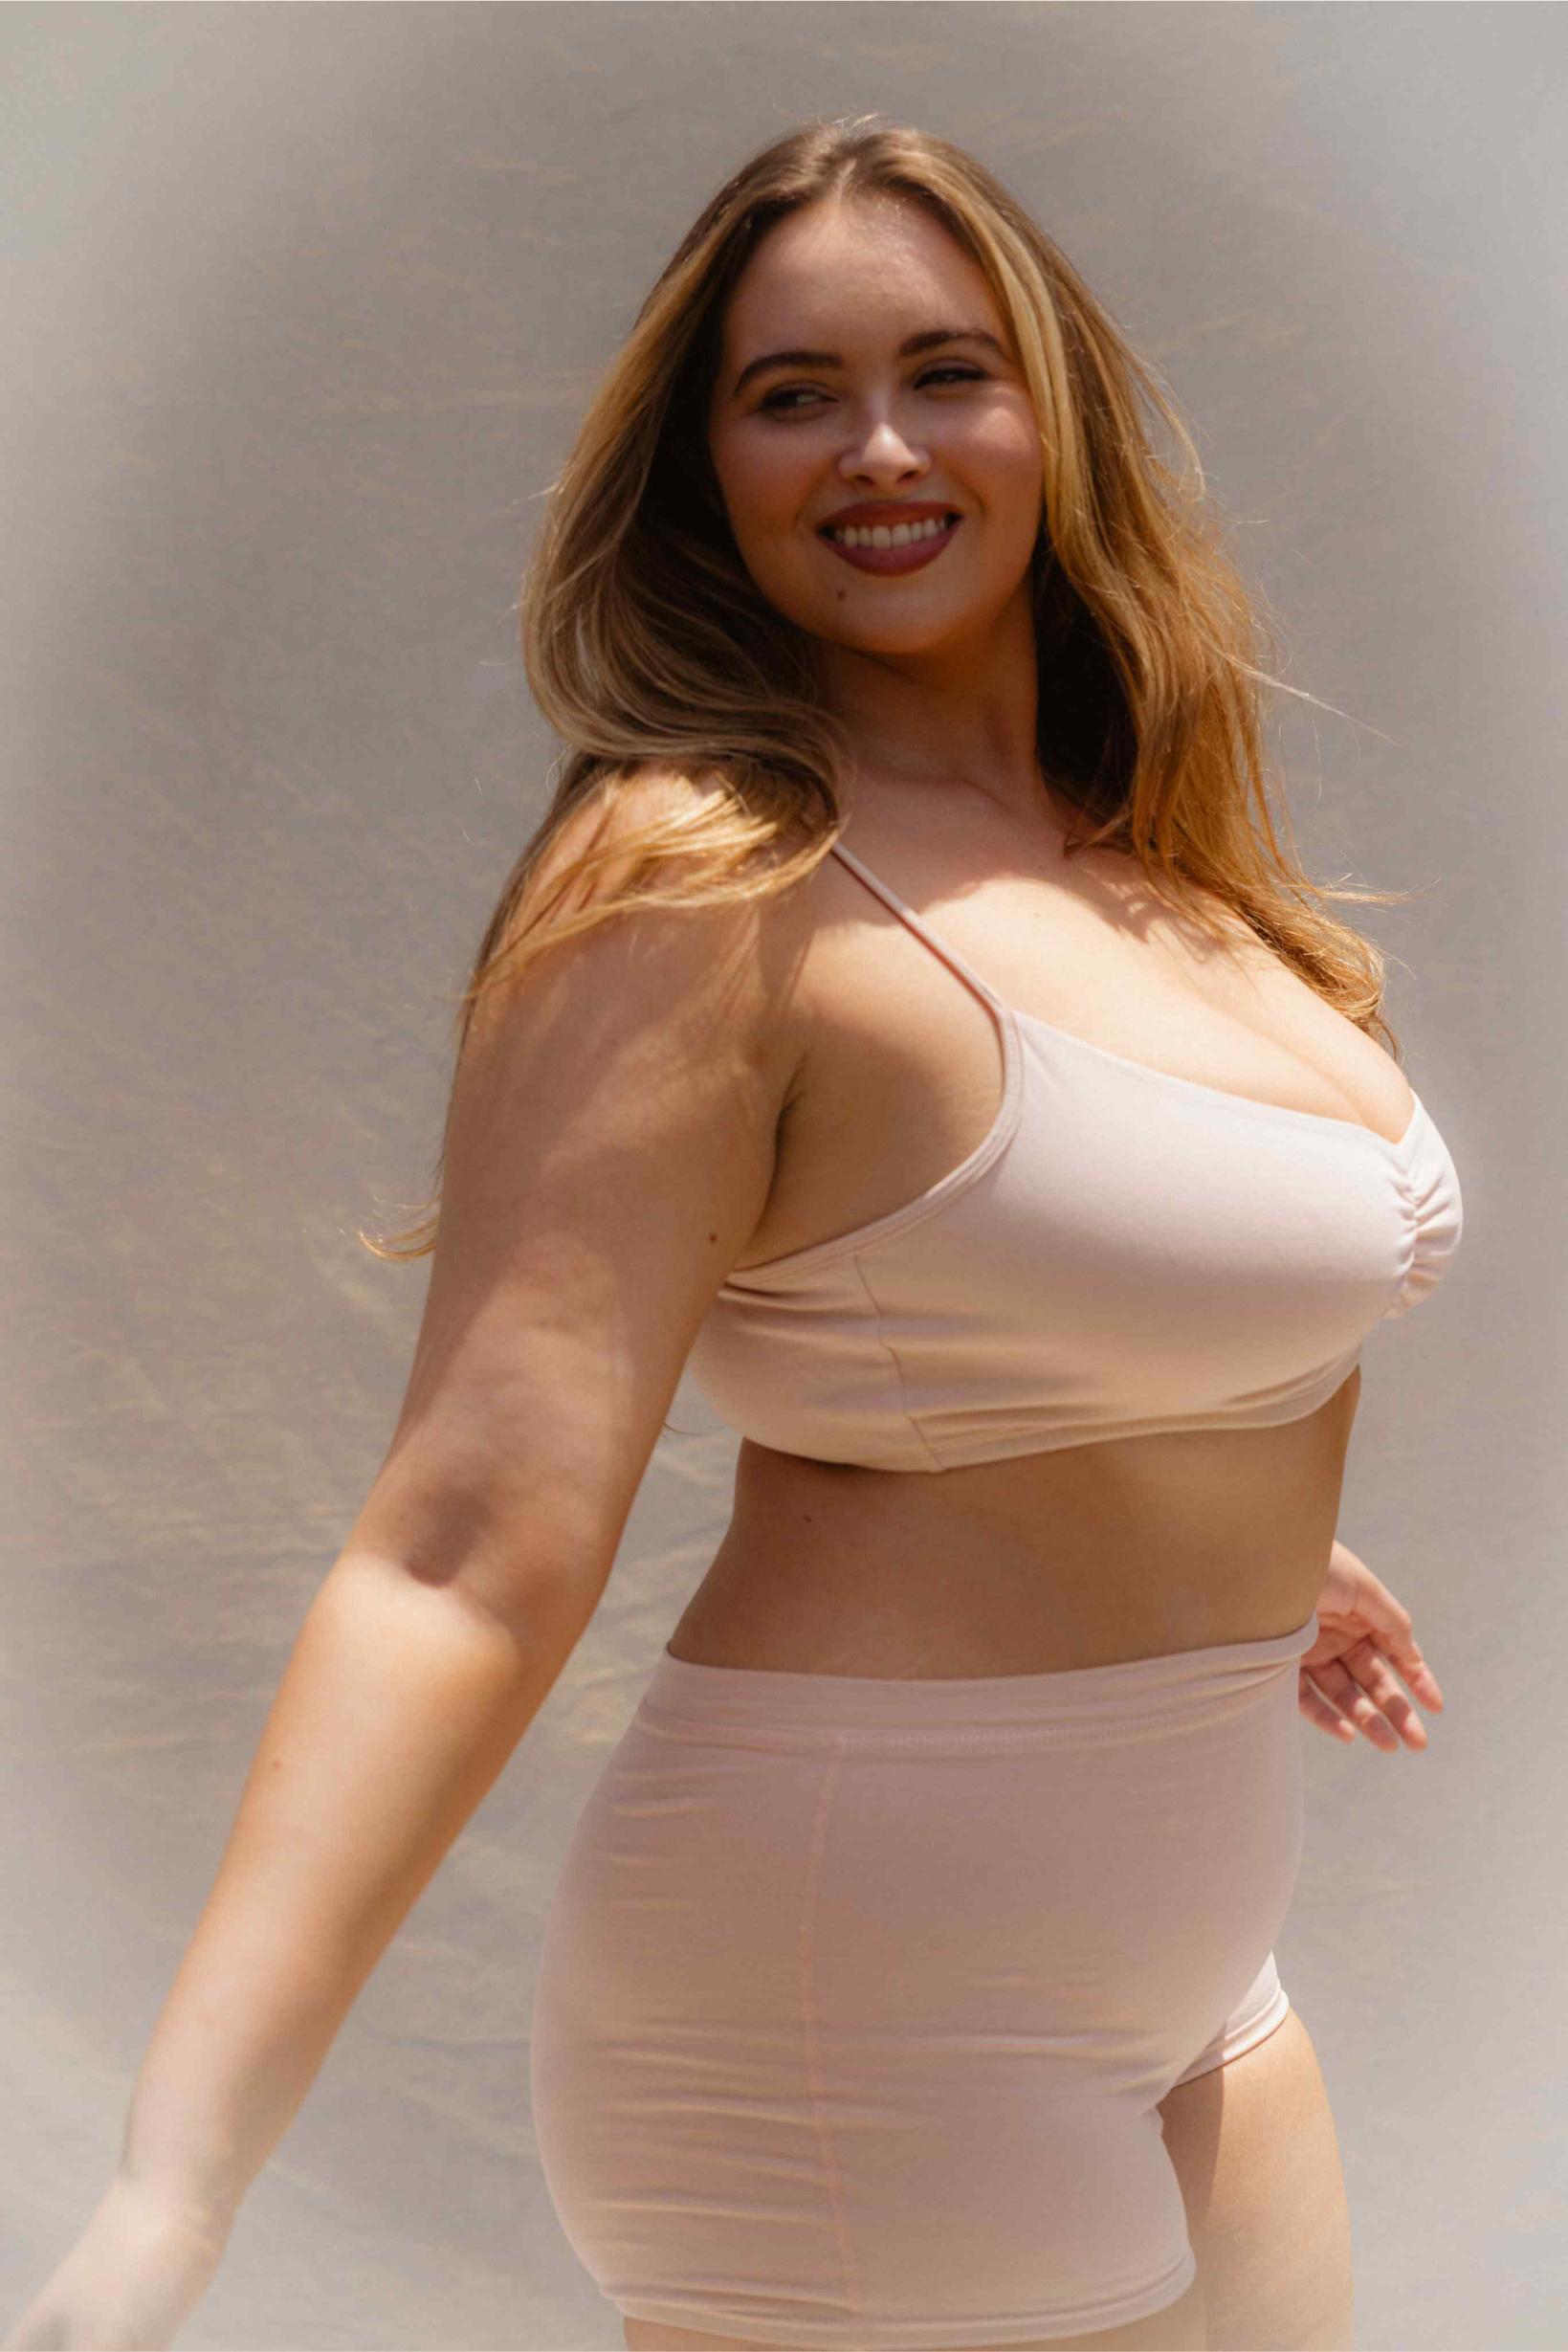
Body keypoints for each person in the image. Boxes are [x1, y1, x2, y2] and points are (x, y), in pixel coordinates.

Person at [4, 116, 1464, 2352]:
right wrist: (172, 2184)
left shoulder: (1142, 843)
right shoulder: (701, 879)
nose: (878, 446)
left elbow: (1023, 1291)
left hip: (1194, 1974)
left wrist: (1221, 1492)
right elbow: (460, 1550)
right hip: (853, 2016)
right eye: (795, 394)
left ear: (1054, 415)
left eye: (945, 372)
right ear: (709, 471)